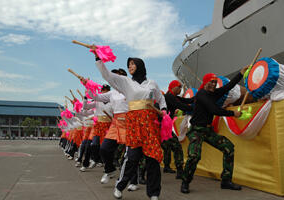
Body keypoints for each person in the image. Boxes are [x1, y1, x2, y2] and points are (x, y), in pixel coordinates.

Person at [91, 46, 166, 200]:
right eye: (129, 64)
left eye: (132, 64)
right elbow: (107, 75)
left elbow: (160, 98)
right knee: (132, 157)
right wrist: (98, 57)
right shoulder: (125, 82)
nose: (130, 66)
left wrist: (164, 109)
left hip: (149, 124)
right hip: (134, 124)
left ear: (140, 65)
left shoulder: (152, 83)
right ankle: (119, 186)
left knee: (153, 158)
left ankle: (153, 193)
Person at [180, 65, 249, 193]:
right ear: (205, 82)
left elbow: (229, 86)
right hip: (196, 130)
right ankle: (185, 181)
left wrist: (240, 73)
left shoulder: (214, 93)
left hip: (207, 131)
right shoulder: (201, 94)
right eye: (211, 81)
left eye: (215, 82)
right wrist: (233, 114)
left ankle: (226, 181)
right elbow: (214, 110)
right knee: (194, 156)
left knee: (229, 148)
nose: (213, 84)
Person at [162, 80, 194, 179]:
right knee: (177, 147)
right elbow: (181, 106)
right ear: (172, 87)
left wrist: (200, 95)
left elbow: (187, 101)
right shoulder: (169, 97)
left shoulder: (173, 97)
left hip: (164, 127)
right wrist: (194, 109)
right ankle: (180, 172)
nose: (180, 89)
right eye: (179, 87)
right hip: (161, 127)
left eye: (181, 87)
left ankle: (166, 167)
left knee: (167, 147)